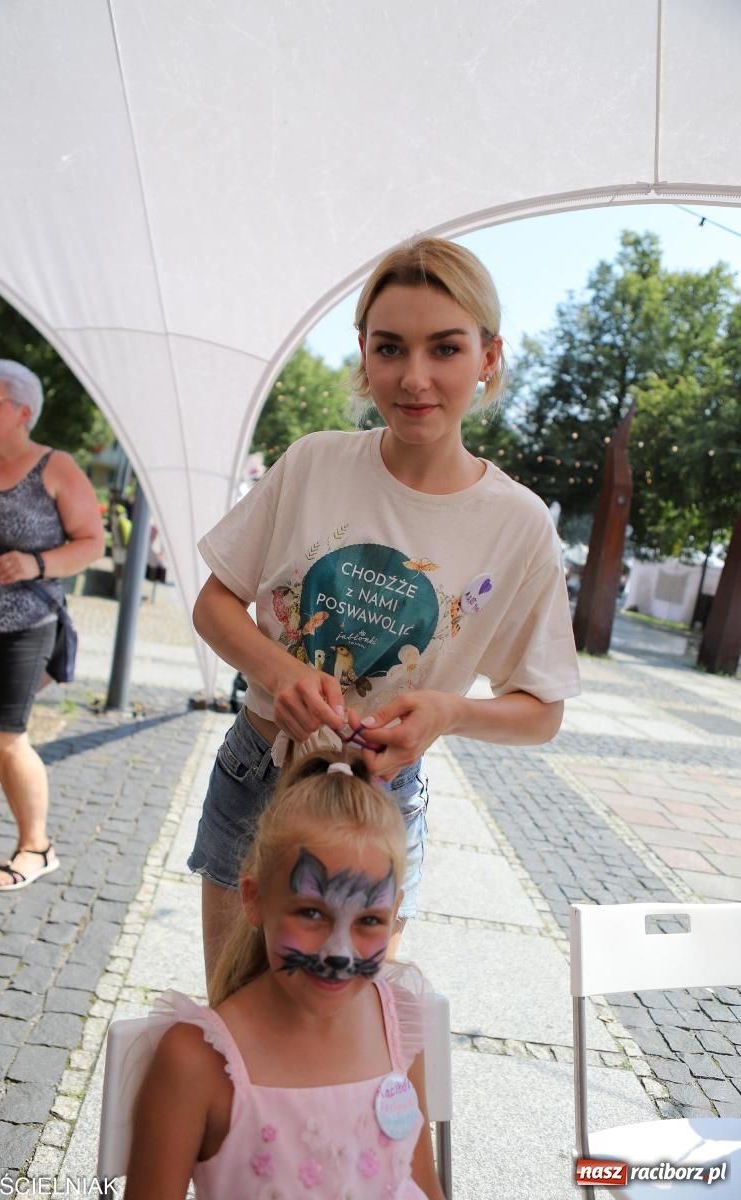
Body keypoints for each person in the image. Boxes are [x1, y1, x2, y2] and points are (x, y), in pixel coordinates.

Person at [190, 236, 581, 975]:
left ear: (489, 357)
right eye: (391, 347)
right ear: (364, 352)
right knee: (235, 1018)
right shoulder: (313, 462)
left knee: (348, 1039)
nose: (415, 378)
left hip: (379, 803)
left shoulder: (518, 524)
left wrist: (450, 712)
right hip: (257, 771)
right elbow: (215, 604)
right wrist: (279, 670)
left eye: (445, 348)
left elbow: (542, 711)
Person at [125, 754, 445, 1200]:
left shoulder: (400, 1025)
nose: (339, 953)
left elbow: (423, 1185)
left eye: (369, 920)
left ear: (394, 914)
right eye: (312, 913)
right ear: (254, 899)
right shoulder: (197, 1063)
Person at [0, 359, 104, 889]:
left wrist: (36, 564)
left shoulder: (55, 467)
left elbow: (90, 543)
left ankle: (37, 846)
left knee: (4, 735)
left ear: (23, 412)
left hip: (21, 624)